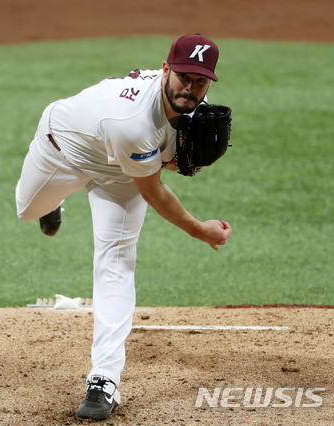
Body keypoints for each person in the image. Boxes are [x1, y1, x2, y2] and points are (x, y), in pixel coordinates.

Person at [14, 34, 232, 420]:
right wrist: (201, 229)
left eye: (201, 81)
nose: (191, 88)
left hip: (121, 173)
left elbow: (156, 165)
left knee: (116, 261)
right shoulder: (132, 123)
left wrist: (173, 158)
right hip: (63, 149)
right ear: (166, 70)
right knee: (28, 211)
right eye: (183, 77)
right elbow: (154, 192)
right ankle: (56, 200)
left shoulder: (191, 106)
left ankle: (103, 380)